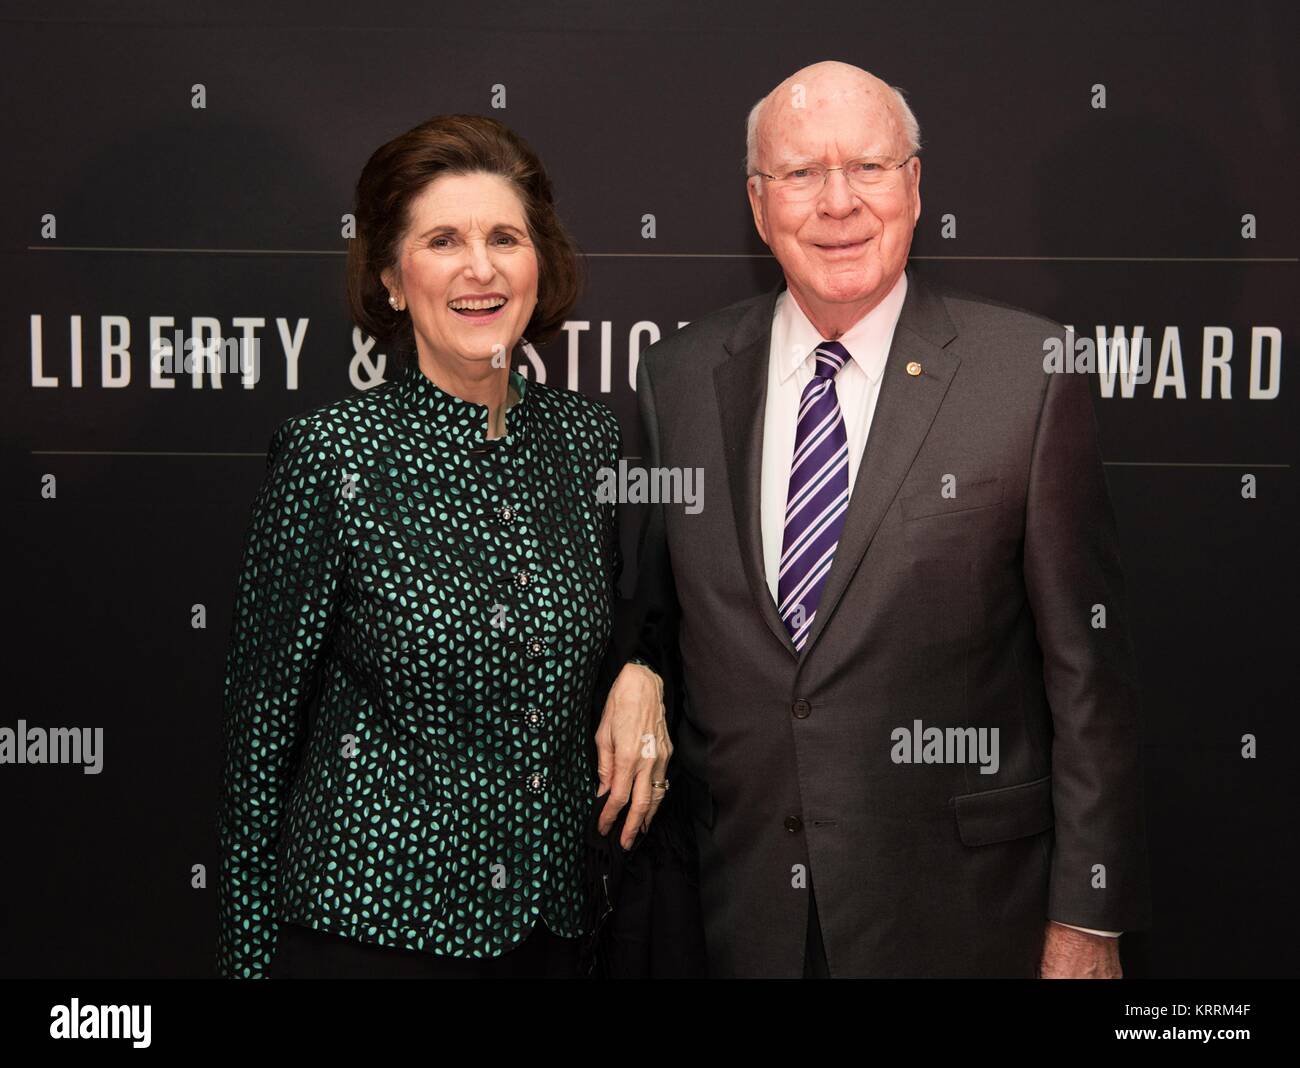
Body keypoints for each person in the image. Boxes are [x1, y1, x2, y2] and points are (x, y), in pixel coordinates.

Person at [595, 61, 1152, 978]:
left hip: (963, 919)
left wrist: (1087, 921)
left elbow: (1087, 676)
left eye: (869, 167)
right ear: (758, 201)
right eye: (802, 174)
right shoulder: (679, 379)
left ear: (917, 186)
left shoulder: (1029, 373)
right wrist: (638, 668)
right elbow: (654, 610)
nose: (838, 203)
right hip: (736, 916)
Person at [216, 114, 621, 979]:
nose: (480, 268)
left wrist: (642, 675)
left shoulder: (588, 444)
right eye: (443, 240)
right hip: (373, 928)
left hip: (553, 932)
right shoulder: (333, 453)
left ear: (538, 265)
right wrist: (246, 963)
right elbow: (258, 737)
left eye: (504, 238)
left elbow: (630, 626)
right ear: (395, 279)